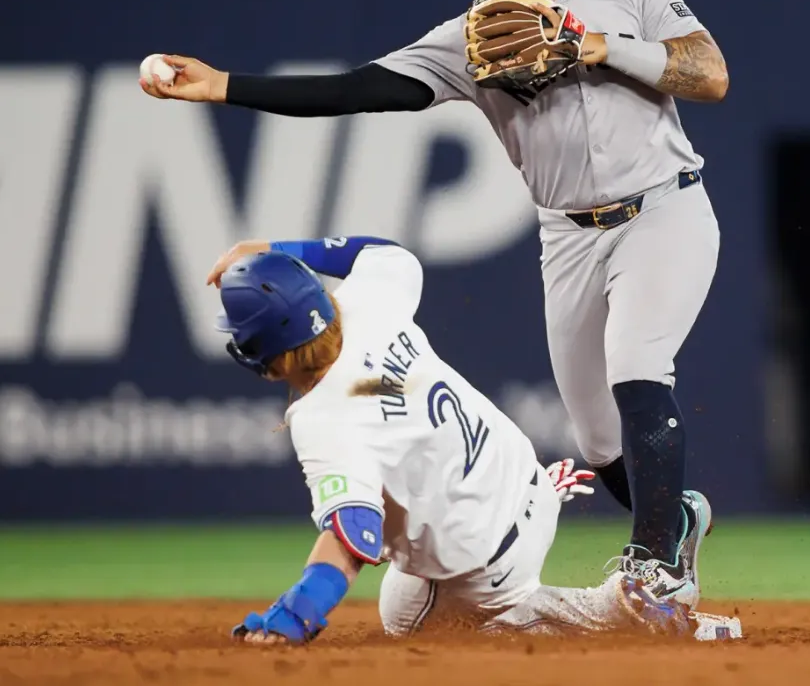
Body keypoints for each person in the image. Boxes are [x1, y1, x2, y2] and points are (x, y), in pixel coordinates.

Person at [141, 0, 728, 608]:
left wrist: (601, 47)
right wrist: (222, 84)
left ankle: (658, 569)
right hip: (569, 235)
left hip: (663, 206)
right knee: (601, 440)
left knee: (637, 368)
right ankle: (677, 517)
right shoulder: (469, 38)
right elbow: (360, 88)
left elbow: (708, 75)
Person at [209, 236, 738, 642]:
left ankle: (624, 612)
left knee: (404, 621)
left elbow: (355, 535)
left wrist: (296, 615)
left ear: (260, 357)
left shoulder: (323, 417)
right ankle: (627, 543)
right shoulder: (366, 303)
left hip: (488, 566)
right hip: (528, 487)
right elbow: (385, 253)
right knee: (403, 578)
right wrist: (278, 249)